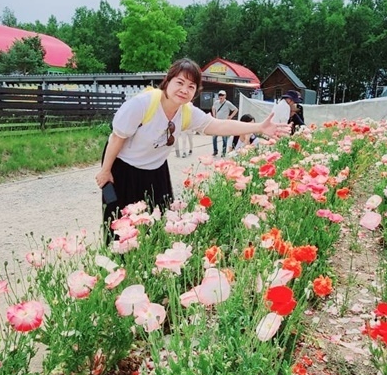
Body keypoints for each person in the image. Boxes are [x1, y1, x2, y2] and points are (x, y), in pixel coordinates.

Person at [96, 59, 290, 242]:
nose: (184, 90)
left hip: (156, 171)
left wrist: (258, 128)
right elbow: (116, 138)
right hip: (124, 167)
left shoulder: (187, 111)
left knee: (158, 224)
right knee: (121, 228)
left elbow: (219, 126)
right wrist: (105, 171)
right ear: (167, 81)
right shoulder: (143, 104)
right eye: (179, 82)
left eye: (191, 86)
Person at [210, 90, 238, 156]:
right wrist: (214, 115)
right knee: (214, 137)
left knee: (224, 138)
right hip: (217, 122)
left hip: (224, 123)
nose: (221, 96)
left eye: (222, 95)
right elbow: (213, 107)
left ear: (225, 96)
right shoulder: (216, 102)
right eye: (220, 95)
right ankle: (215, 151)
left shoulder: (228, 103)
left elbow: (235, 109)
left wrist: (230, 116)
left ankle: (223, 152)